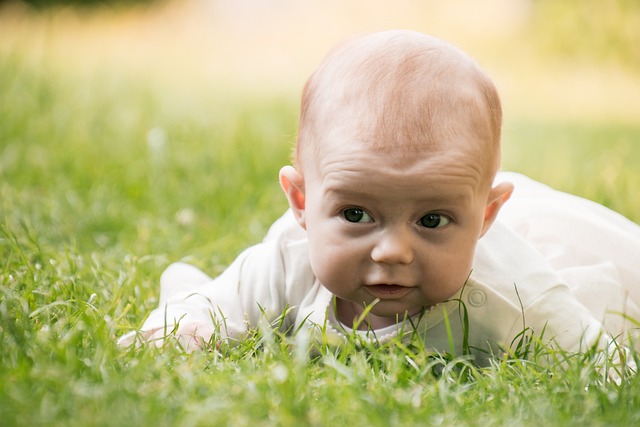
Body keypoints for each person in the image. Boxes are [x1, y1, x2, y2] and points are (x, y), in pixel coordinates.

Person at [118, 30, 640, 370]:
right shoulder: (288, 258)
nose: (392, 250)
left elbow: (604, 366)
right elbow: (204, 317)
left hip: (549, 248)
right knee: (207, 309)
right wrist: (182, 328)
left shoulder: (516, 295)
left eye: (432, 220)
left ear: (484, 217)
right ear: (300, 202)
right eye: (355, 214)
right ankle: (182, 282)